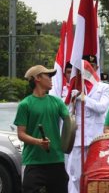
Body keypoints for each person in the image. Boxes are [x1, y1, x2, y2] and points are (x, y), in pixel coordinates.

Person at [14, 65, 70, 193]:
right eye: (48, 76)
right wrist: (38, 142)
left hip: (56, 160)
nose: (51, 79)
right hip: (34, 162)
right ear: (37, 78)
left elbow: (69, 122)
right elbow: (21, 134)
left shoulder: (57, 102)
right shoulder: (25, 104)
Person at [67, 55, 109, 193]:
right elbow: (69, 113)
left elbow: (102, 108)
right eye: (85, 68)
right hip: (79, 137)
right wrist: (73, 101)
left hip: (95, 137)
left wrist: (84, 98)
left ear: (96, 68)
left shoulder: (104, 87)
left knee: (95, 173)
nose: (88, 70)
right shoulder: (75, 86)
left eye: (91, 67)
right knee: (75, 175)